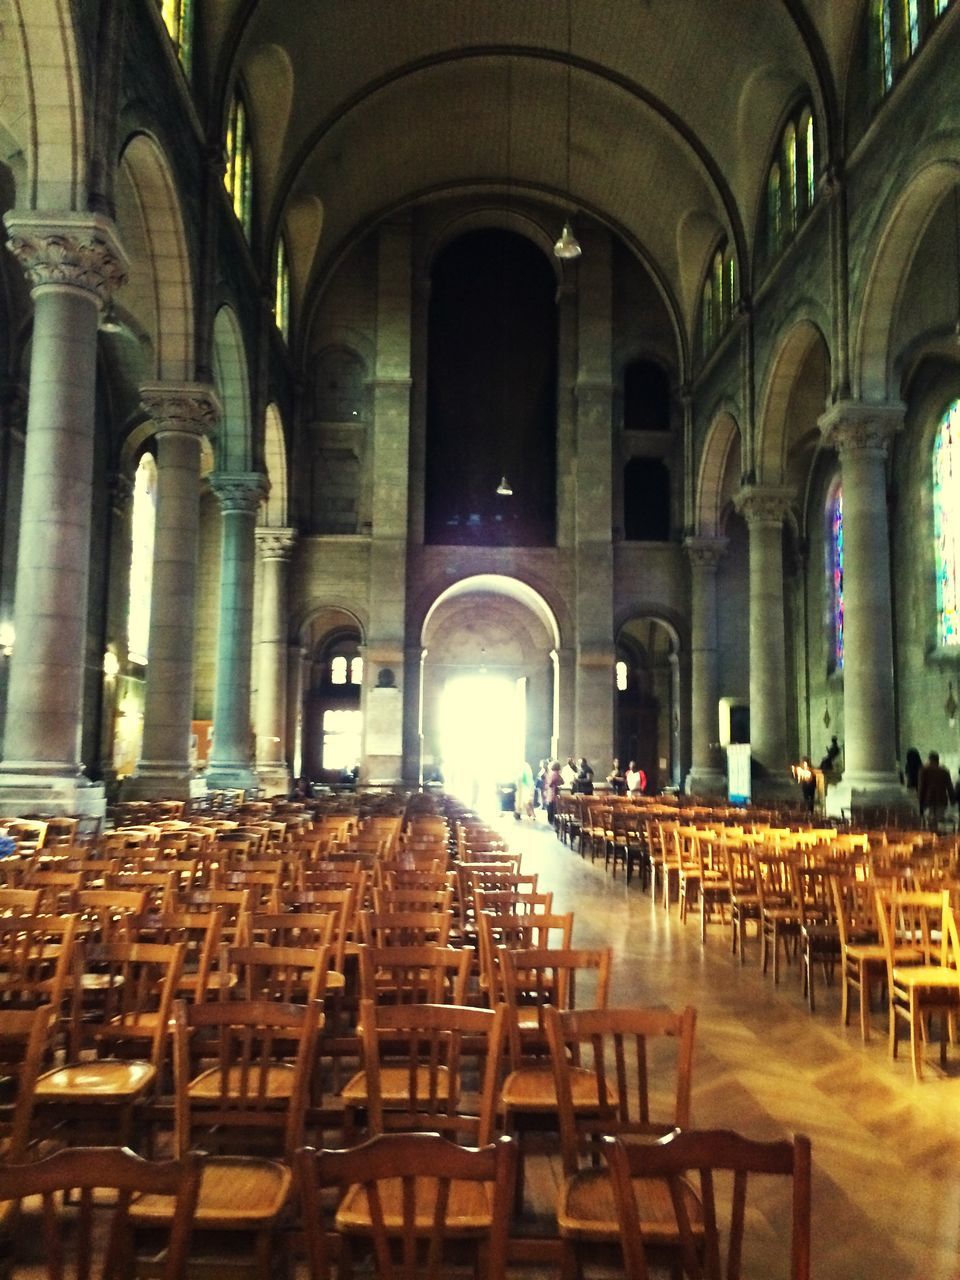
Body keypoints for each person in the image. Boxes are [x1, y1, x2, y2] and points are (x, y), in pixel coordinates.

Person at [917, 750, 956, 829]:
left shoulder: (924, 770)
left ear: (929, 759)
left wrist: (920, 804)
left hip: (928, 801)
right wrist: (952, 799)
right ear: (938, 759)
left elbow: (921, 788)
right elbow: (949, 786)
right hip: (941, 800)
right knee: (940, 822)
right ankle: (940, 838)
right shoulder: (944, 771)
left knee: (930, 822)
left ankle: (932, 838)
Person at [544, 761, 563, 828]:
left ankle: (550, 820)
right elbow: (562, 781)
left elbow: (549, 783)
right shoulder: (557, 774)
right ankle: (552, 820)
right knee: (553, 806)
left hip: (551, 791)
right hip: (554, 791)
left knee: (550, 805)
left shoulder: (552, 773)